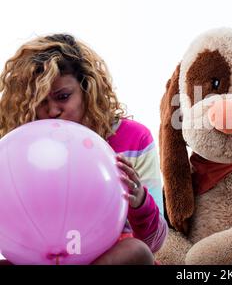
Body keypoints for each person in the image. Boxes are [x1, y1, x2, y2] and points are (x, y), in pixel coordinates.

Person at [0, 33, 167, 265]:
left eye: (63, 97)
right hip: (40, 258)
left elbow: (155, 243)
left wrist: (139, 201)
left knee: (135, 251)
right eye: (40, 103)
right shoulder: (20, 151)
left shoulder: (133, 138)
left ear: (87, 89)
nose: (52, 111)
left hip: (114, 258)